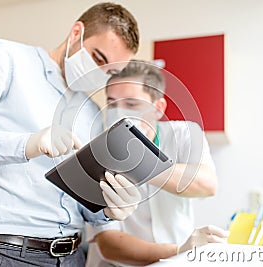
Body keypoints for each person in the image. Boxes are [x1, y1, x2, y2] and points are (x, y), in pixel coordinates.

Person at [0, 3, 142, 266]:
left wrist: (109, 208)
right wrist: (25, 144)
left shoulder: (92, 113)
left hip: (73, 256)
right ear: (76, 33)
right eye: (98, 58)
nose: (100, 73)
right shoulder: (8, 59)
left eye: (111, 72)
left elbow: (82, 202)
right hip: (4, 254)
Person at [85, 60, 229, 266]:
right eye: (112, 103)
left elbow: (207, 184)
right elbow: (109, 244)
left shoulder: (185, 133)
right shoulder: (96, 154)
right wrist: (178, 250)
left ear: (158, 107)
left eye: (132, 104)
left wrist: (140, 163)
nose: (119, 112)